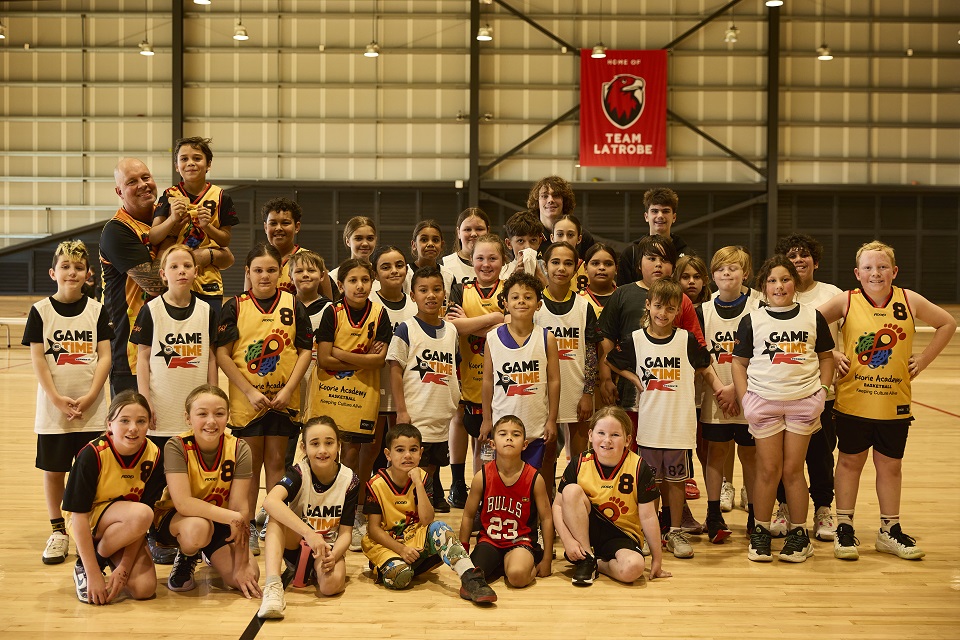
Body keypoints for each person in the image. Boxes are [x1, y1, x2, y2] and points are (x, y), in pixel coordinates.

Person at [818, 240, 956, 561]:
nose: (875, 273)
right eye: (868, 267)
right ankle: (845, 526)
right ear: (857, 273)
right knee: (850, 462)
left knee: (891, 467)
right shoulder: (847, 301)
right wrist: (831, 352)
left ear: (894, 271)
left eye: (882, 267)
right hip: (854, 399)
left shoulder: (909, 299)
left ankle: (888, 530)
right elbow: (807, 323)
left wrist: (923, 359)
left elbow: (946, 323)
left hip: (895, 400)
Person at [607, 279, 729, 558]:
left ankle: (675, 530)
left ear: (678, 312)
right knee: (650, 483)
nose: (663, 313)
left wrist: (720, 389)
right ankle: (650, 532)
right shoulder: (636, 340)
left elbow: (704, 366)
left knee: (675, 482)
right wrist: (633, 378)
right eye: (658, 306)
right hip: (649, 425)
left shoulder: (686, 340)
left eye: (670, 308)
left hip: (678, 425)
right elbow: (611, 361)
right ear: (648, 305)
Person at [732, 256, 836, 563]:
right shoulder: (753, 319)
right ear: (764, 286)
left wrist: (824, 391)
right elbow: (739, 362)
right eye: (773, 281)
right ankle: (762, 531)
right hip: (764, 402)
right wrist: (745, 399)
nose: (780, 286)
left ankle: (798, 534)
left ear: (795, 284)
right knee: (768, 470)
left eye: (786, 279)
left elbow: (827, 357)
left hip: (803, 402)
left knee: (793, 470)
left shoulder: (812, 316)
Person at [216, 243, 314, 556]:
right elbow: (222, 353)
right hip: (249, 402)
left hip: (284, 401)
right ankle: (244, 532)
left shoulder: (293, 303)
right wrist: (248, 390)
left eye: (271, 269)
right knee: (248, 470)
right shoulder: (234, 305)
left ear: (280, 272)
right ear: (248, 272)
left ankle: (272, 526)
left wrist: (287, 390)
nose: (265, 275)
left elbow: (304, 350)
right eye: (258, 270)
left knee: (276, 465)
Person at [24, 240, 112, 565]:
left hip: (92, 409)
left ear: (88, 274)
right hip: (53, 410)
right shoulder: (40, 311)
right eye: (65, 266)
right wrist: (56, 399)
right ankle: (58, 530)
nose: (71, 272)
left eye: (78, 267)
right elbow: (38, 359)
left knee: (92, 469)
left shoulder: (97, 310)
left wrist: (90, 397)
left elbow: (105, 357)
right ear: (53, 272)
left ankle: (88, 525)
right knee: (53, 470)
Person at [309, 258, 392, 551]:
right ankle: (321, 512)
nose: (360, 285)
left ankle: (351, 515)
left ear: (372, 283)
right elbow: (325, 358)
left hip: (361, 396)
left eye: (365, 280)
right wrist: (361, 358)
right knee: (324, 453)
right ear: (341, 284)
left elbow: (379, 361)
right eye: (353, 280)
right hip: (329, 393)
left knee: (354, 457)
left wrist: (341, 354)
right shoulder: (332, 312)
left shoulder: (380, 314)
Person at [362, 423, 498, 603]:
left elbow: (427, 519)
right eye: (400, 450)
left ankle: (471, 579)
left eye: (413, 450)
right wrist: (401, 549)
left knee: (441, 529)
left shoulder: (423, 478)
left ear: (420, 453)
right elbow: (373, 529)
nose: (407, 455)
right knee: (401, 577)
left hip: (413, 536)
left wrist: (418, 483)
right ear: (388, 454)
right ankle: (390, 565)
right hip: (387, 543)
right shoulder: (376, 484)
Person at [152, 385, 261, 596]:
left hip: (222, 520)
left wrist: (241, 563)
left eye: (219, 414)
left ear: (228, 416)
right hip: (178, 520)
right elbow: (183, 503)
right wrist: (232, 517)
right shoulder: (176, 446)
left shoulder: (239, 448)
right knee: (198, 529)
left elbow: (241, 508)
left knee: (247, 577)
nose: (211, 421)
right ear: (188, 418)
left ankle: (209, 551)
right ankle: (186, 555)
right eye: (202, 414)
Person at [771, 234, 844, 541]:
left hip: (820, 391)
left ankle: (824, 508)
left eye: (805, 255)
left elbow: (849, 334)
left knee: (821, 454)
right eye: (792, 255)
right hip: (781, 391)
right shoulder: (776, 293)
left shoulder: (832, 294)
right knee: (781, 455)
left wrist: (838, 355)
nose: (799, 259)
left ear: (816, 261)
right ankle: (784, 506)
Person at [61, 391, 164, 605]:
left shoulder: (154, 455)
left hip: (127, 527)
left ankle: (104, 556)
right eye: (124, 420)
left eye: (141, 421)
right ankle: (87, 565)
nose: (133, 428)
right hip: (87, 522)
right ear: (109, 424)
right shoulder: (92, 455)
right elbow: (78, 516)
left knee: (144, 589)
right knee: (141, 513)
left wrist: (124, 568)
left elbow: (142, 524)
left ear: (149, 424)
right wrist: (94, 573)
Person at [553, 406, 670, 586]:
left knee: (634, 568)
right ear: (591, 435)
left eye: (615, 435)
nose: (607, 440)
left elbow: (648, 516)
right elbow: (558, 506)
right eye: (601, 433)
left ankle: (597, 564)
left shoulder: (639, 467)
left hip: (622, 534)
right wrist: (567, 541)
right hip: (585, 530)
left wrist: (657, 560)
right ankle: (586, 556)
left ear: (627, 440)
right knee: (571, 491)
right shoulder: (579, 463)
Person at [258, 416, 360, 619]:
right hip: (296, 544)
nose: (322, 450)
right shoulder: (298, 473)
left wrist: (334, 555)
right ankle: (273, 586)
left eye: (329, 443)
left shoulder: (350, 480)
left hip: (326, 548)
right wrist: (309, 533)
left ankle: (316, 571)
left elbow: (346, 533)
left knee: (330, 587)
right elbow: (269, 501)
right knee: (276, 516)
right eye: (315, 444)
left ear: (339, 445)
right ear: (304, 448)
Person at [697, 247, 759, 543]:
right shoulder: (704, 310)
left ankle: (755, 515)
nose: (726, 274)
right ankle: (713, 513)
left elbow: (762, 353)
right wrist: (721, 388)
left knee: (751, 455)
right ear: (713, 275)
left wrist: (737, 386)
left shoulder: (759, 306)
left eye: (733, 269)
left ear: (745, 274)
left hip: (749, 395)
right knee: (716, 454)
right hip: (715, 394)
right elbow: (700, 355)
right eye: (721, 269)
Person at [388, 266, 461, 516]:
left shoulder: (451, 330)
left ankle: (428, 501)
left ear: (445, 294)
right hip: (416, 413)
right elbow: (395, 370)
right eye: (423, 290)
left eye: (436, 289)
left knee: (432, 465)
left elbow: (453, 368)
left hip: (441, 414)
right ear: (412, 295)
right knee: (411, 465)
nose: (431, 295)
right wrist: (401, 410)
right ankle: (406, 509)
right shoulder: (406, 329)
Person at [132, 244, 218, 448]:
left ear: (196, 272)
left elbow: (212, 359)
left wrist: (213, 399)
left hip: (197, 409)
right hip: (161, 408)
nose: (181, 270)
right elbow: (142, 360)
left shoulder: (207, 311)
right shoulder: (150, 310)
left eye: (187, 265)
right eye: (174, 266)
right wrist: (145, 401)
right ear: (163, 274)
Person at [444, 233, 507, 508]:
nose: (486, 264)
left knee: (489, 434)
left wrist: (473, 323)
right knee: (462, 421)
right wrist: (493, 319)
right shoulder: (462, 287)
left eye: (493, 258)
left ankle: (488, 487)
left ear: (503, 261)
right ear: (471, 260)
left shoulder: (509, 288)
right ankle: (459, 483)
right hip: (465, 368)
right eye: (480, 258)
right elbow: (453, 326)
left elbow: (509, 324)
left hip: (502, 373)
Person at [459, 415, 554, 587]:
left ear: (525, 444)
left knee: (517, 577)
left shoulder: (534, 478)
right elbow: (467, 516)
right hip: (490, 540)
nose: (509, 437)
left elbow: (547, 518)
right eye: (503, 434)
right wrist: (463, 553)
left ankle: (525, 563)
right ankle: (502, 564)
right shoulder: (482, 477)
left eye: (516, 434)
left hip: (521, 541)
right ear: (492, 443)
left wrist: (547, 559)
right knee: (472, 575)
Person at [149, 136, 238, 317]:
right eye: (184, 159)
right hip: (175, 279)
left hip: (208, 280)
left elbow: (226, 239)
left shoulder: (221, 197)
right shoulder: (169, 195)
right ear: (176, 166)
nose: (191, 163)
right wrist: (172, 219)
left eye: (197, 158)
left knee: (209, 333)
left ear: (208, 164)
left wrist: (208, 227)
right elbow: (153, 236)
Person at [481, 271, 560, 471]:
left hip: (536, 425)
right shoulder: (492, 339)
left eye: (528, 297)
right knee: (504, 477)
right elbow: (488, 382)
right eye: (515, 297)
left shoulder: (546, 338)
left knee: (532, 479)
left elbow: (554, 381)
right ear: (505, 304)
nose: (521, 301)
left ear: (538, 304)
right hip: (502, 425)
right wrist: (487, 419)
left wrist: (552, 420)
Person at [99, 158, 166, 394]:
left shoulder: (164, 220)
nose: (143, 185)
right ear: (119, 191)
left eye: (146, 178)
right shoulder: (117, 230)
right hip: (131, 353)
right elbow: (156, 284)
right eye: (132, 181)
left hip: (170, 346)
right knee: (131, 428)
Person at [534, 242, 600, 477]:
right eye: (555, 262)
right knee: (547, 449)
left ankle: (574, 492)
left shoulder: (584, 307)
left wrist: (587, 393)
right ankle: (546, 499)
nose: (561, 268)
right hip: (543, 390)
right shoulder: (534, 305)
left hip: (575, 389)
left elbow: (591, 353)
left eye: (568, 263)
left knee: (580, 452)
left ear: (576, 268)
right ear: (545, 265)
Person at [674, 254, 712, 501]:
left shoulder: (713, 307)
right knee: (685, 431)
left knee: (707, 439)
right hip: (681, 383)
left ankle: (722, 486)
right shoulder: (673, 306)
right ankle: (686, 475)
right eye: (685, 277)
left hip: (707, 381)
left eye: (697, 277)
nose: (691, 282)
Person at [618, 187, 693, 286]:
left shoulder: (687, 254)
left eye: (665, 211)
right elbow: (622, 293)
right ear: (646, 217)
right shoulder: (631, 253)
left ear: (674, 217)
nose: (660, 216)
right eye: (654, 211)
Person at [526, 175, 595, 257]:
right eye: (544, 196)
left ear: (564, 201)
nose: (550, 200)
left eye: (556, 195)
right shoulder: (527, 236)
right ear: (537, 202)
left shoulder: (584, 238)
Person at [328, 216, 378, 297]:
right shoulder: (334, 277)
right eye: (358, 238)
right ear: (348, 241)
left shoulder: (381, 275)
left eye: (370, 238)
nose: (365, 243)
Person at [442, 207, 491, 286]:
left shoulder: (500, 266)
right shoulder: (445, 265)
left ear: (488, 231)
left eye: (479, 229)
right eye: (467, 229)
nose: (474, 234)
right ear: (458, 233)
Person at [408, 220, 455, 297]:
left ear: (442, 245)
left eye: (435, 240)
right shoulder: (405, 274)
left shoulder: (448, 276)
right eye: (424, 240)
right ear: (414, 245)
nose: (430, 244)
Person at [501, 210, 544, 281]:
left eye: (533, 240)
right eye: (520, 241)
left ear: (539, 242)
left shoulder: (548, 271)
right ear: (509, 243)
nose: (528, 247)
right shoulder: (501, 274)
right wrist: (513, 277)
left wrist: (540, 275)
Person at [550, 214, 589, 292]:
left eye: (570, 235)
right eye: (560, 234)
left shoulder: (588, 269)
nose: (565, 240)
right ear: (552, 238)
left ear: (579, 239)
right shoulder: (542, 268)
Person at [582, 243, 618, 317]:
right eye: (595, 263)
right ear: (585, 268)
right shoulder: (577, 299)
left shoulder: (624, 298)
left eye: (608, 264)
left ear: (616, 269)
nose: (602, 267)